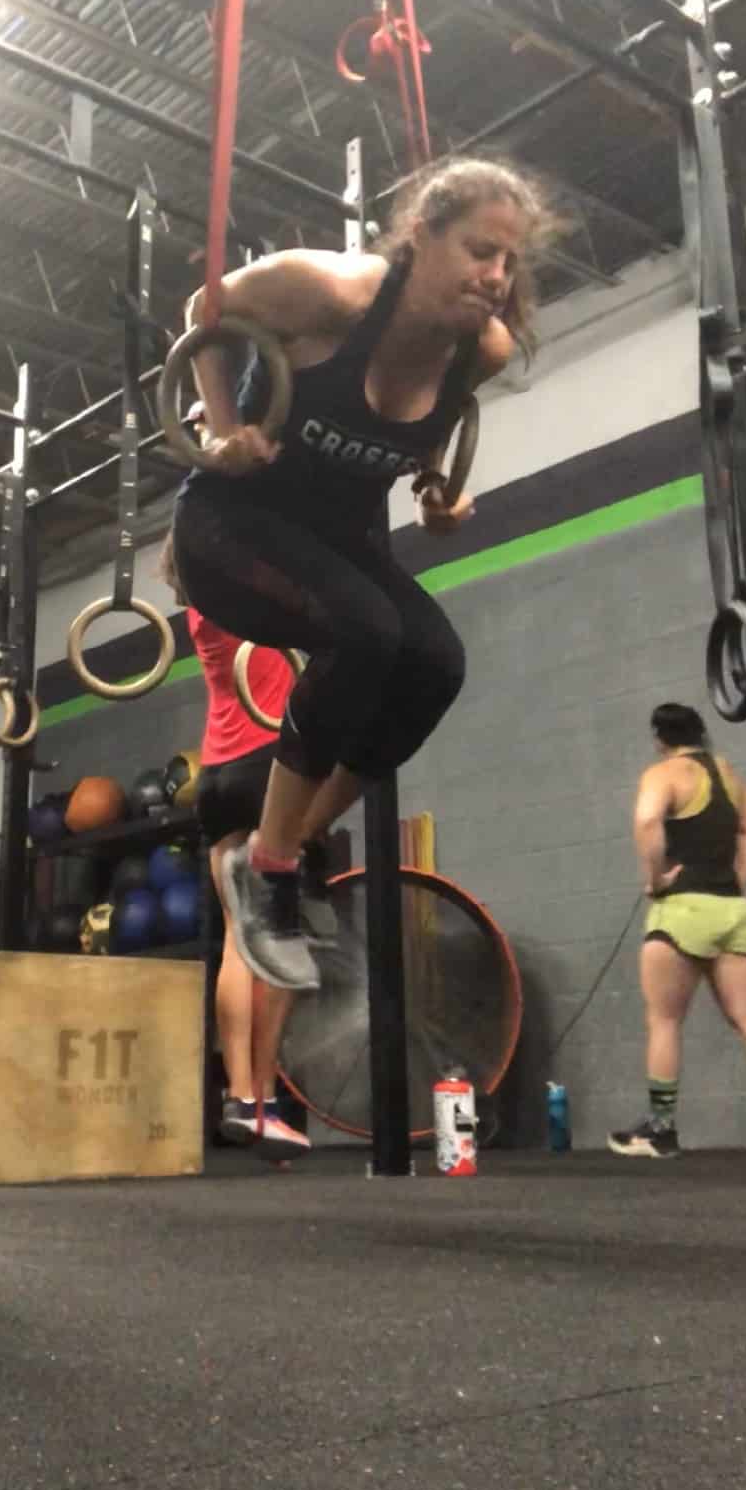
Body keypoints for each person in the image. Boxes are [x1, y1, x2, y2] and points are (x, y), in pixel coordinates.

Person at [171, 154, 556, 996]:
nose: (495, 278)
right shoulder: (333, 292)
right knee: (367, 632)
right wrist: (225, 425)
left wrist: (437, 492)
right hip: (231, 528)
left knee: (434, 664)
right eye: (479, 250)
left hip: (337, 540)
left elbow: (420, 440)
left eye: (509, 262)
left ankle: (284, 849)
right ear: (422, 234)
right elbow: (204, 312)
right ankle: (268, 864)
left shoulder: (478, 350)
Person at [157, 534, 340, 1160]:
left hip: (216, 776)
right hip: (271, 765)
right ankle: (263, 1095)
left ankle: (243, 1101)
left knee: (240, 934)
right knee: (278, 933)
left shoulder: (199, 605)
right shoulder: (258, 585)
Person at [609, 702, 746, 1160]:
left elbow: (645, 820)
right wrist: (737, 880)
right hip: (732, 909)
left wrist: (656, 879)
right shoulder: (728, 775)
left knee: (664, 1020)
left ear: (660, 736)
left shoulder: (663, 774)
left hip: (681, 911)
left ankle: (660, 1130)